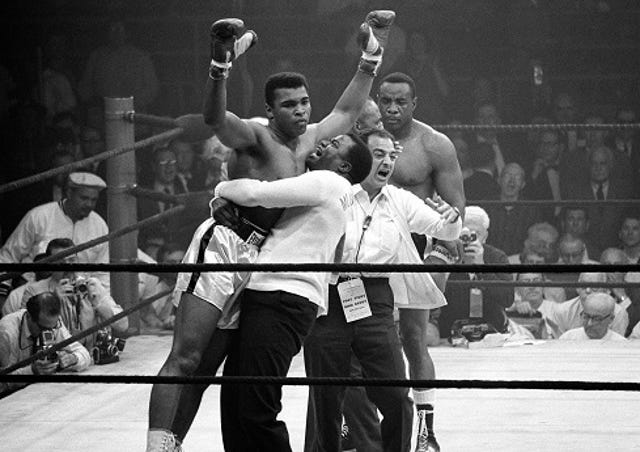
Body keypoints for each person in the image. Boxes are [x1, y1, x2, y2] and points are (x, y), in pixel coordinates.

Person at [146, 12, 395, 451]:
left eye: (303, 102)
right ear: (269, 110)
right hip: (226, 242)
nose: (300, 111)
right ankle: (160, 447)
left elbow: (349, 109)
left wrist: (371, 57)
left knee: (215, 367)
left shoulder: (312, 141)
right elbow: (214, 118)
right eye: (289, 105)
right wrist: (220, 67)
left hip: (258, 262)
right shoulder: (258, 136)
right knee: (189, 358)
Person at [304, 129, 461, 452]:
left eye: (392, 155)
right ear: (361, 159)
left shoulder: (400, 200)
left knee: (395, 396)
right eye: (379, 154)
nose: (387, 161)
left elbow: (442, 228)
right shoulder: (334, 193)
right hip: (330, 300)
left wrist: (453, 218)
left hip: (375, 302)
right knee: (327, 400)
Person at [375, 71, 465, 451]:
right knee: (364, 338)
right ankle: (356, 419)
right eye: (386, 101)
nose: (392, 109)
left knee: (413, 336)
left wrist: (445, 231)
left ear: (415, 104)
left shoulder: (434, 145)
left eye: (400, 102)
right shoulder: (367, 140)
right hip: (374, 241)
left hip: (422, 241)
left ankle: (426, 429)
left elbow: (456, 209)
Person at [0, 172, 110, 290]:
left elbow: (102, 274)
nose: (89, 204)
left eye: (93, 200)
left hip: (79, 295)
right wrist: (2, 291)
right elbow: (8, 256)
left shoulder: (100, 225)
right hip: (33, 293)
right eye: (84, 198)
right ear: (69, 193)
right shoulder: (39, 216)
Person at [21, 239, 128, 349]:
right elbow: (27, 333)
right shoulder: (33, 291)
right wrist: (53, 300)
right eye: (61, 262)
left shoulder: (91, 285)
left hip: (91, 357)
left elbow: (123, 325)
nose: (68, 265)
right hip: (55, 356)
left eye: (72, 259)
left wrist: (97, 303)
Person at [439, 206, 514, 339]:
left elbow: (507, 299)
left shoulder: (497, 257)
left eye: (475, 235)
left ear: (485, 236)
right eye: (465, 234)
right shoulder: (444, 254)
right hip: (451, 331)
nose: (469, 240)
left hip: (492, 331)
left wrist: (481, 266)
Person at [0, 291, 91, 396]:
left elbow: (84, 353)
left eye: (53, 327)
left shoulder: (52, 323)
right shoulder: (6, 332)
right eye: (43, 328)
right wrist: (31, 371)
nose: (48, 333)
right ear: (29, 317)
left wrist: (72, 359)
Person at [544, 272, 628, 339]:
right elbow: (559, 346)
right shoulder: (562, 311)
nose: (588, 290)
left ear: (605, 289)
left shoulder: (618, 313)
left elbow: (615, 344)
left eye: (594, 286)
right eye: (584, 286)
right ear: (577, 288)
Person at [486, 163, 542, 255]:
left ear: (523, 184)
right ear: (499, 180)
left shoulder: (531, 209)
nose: (512, 181)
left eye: (517, 177)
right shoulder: (487, 205)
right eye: (507, 175)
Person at [559, 293, 627, 341]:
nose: (589, 323)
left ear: (611, 319)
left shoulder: (620, 344)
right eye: (586, 316)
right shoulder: (568, 339)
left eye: (596, 319)